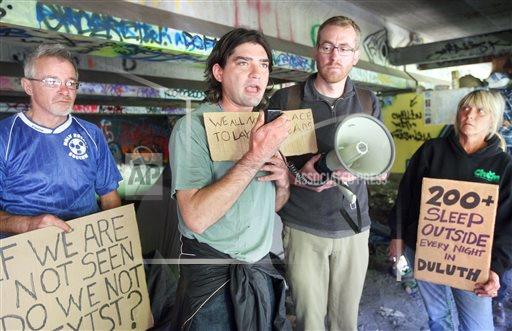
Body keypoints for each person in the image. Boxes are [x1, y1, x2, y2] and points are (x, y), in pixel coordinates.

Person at [169, 28, 291, 330]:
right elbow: (195, 218)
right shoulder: (192, 128)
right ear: (219, 72)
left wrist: (284, 181)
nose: (256, 74)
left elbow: (272, 205)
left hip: (258, 268)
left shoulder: (265, 125)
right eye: (243, 63)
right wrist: (253, 157)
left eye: (263, 65)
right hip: (213, 277)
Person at [268, 16, 381, 331]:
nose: (335, 56)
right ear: (316, 51)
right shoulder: (285, 100)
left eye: (344, 49)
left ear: (355, 56)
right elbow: (266, 161)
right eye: (328, 46)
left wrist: (360, 172)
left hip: (354, 228)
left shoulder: (367, 101)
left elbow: (376, 158)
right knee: (309, 321)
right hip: (304, 227)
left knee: (347, 322)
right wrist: (296, 176)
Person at [388, 90, 512, 330]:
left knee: (477, 326)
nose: (470, 115)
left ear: (493, 119)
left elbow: (508, 224)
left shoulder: (503, 165)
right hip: (425, 250)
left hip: (474, 262)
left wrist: (496, 268)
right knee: (437, 317)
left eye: (480, 111)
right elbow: (406, 195)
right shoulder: (433, 150)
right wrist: (398, 234)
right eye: (465, 108)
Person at [0, 44, 122, 238]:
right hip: (23, 259)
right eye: (52, 81)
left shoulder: (92, 135)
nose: (65, 91)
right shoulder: (5, 136)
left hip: (87, 254)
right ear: (28, 86)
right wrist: (28, 224)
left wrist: (117, 241)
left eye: (71, 83)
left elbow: (110, 198)